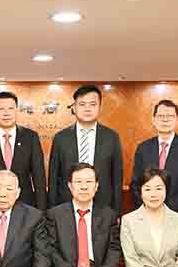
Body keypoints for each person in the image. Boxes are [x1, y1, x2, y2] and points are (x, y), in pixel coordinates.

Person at [48, 84, 123, 213]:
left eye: (93, 104)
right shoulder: (60, 138)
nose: (87, 109)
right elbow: (53, 177)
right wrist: (52, 211)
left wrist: (116, 212)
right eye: (82, 104)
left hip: (103, 206)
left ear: (100, 107)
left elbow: (117, 178)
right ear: (74, 107)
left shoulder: (112, 137)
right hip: (66, 205)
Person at [130, 99, 178, 229]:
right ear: (154, 119)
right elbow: (135, 184)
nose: (165, 120)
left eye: (170, 116)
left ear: (177, 119)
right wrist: (148, 208)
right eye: (161, 116)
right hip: (146, 217)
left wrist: (167, 211)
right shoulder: (143, 148)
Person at [0, 91, 47, 210]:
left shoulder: (31, 137)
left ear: (16, 111)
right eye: (1, 109)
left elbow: (39, 177)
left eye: (10, 108)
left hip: (24, 205)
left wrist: (41, 210)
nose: (6, 113)